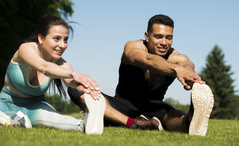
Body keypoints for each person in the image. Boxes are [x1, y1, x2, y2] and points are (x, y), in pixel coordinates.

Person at [0, 15, 106, 134]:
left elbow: (69, 79)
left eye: (65, 40)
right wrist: (73, 74)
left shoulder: (63, 65)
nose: (62, 45)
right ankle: (8, 121)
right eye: (56, 39)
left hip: (34, 109)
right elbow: (43, 66)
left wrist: (84, 86)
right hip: (2, 105)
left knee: (51, 118)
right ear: (41, 38)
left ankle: (85, 124)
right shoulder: (26, 49)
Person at [68, 14, 214, 136]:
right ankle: (133, 123)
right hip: (123, 105)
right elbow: (147, 60)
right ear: (147, 36)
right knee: (76, 87)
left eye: (168, 38)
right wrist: (176, 70)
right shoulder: (133, 47)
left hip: (154, 108)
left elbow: (187, 63)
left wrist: (190, 74)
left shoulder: (176, 58)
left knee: (173, 114)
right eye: (158, 36)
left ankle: (188, 122)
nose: (164, 42)